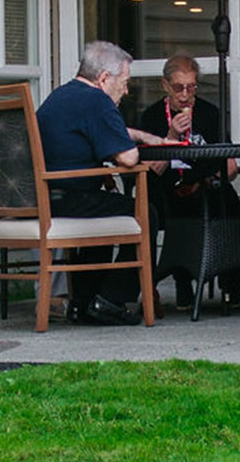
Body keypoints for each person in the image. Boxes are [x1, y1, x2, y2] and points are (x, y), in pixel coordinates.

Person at [36, 41, 170, 326]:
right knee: (146, 213)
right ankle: (112, 299)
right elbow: (129, 158)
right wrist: (137, 143)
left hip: (49, 196)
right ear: (104, 79)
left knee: (107, 208)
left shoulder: (62, 96)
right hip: (72, 198)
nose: (127, 90)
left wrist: (140, 135)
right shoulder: (97, 100)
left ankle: (83, 303)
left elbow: (89, 132)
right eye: (124, 82)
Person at [134, 54, 240, 308]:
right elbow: (149, 171)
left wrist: (210, 179)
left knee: (228, 202)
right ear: (165, 85)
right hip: (166, 190)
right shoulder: (152, 117)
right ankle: (182, 283)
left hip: (203, 186)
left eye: (191, 87)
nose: (185, 94)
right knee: (159, 207)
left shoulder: (210, 113)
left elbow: (230, 167)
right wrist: (171, 134)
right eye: (178, 87)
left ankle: (232, 286)